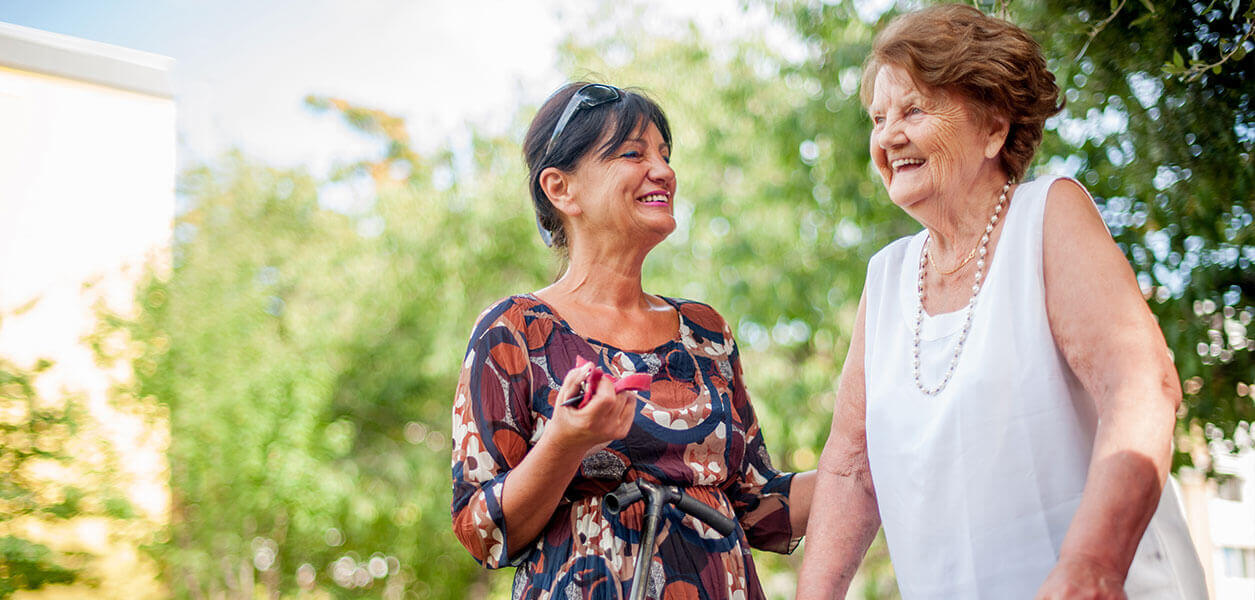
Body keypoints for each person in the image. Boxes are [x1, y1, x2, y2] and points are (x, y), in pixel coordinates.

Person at [796, 5, 1206, 599]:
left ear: (994, 127)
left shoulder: (1049, 216)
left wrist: (1093, 563)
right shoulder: (886, 277)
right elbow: (849, 470)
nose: (888, 135)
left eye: (913, 110)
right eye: (878, 117)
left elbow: (1141, 386)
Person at [450, 82, 815, 599]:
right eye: (632, 153)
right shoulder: (513, 330)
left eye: (665, 155)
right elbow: (480, 530)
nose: (663, 170)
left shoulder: (705, 332)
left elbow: (756, 508)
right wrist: (566, 441)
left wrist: (867, 468)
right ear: (561, 188)